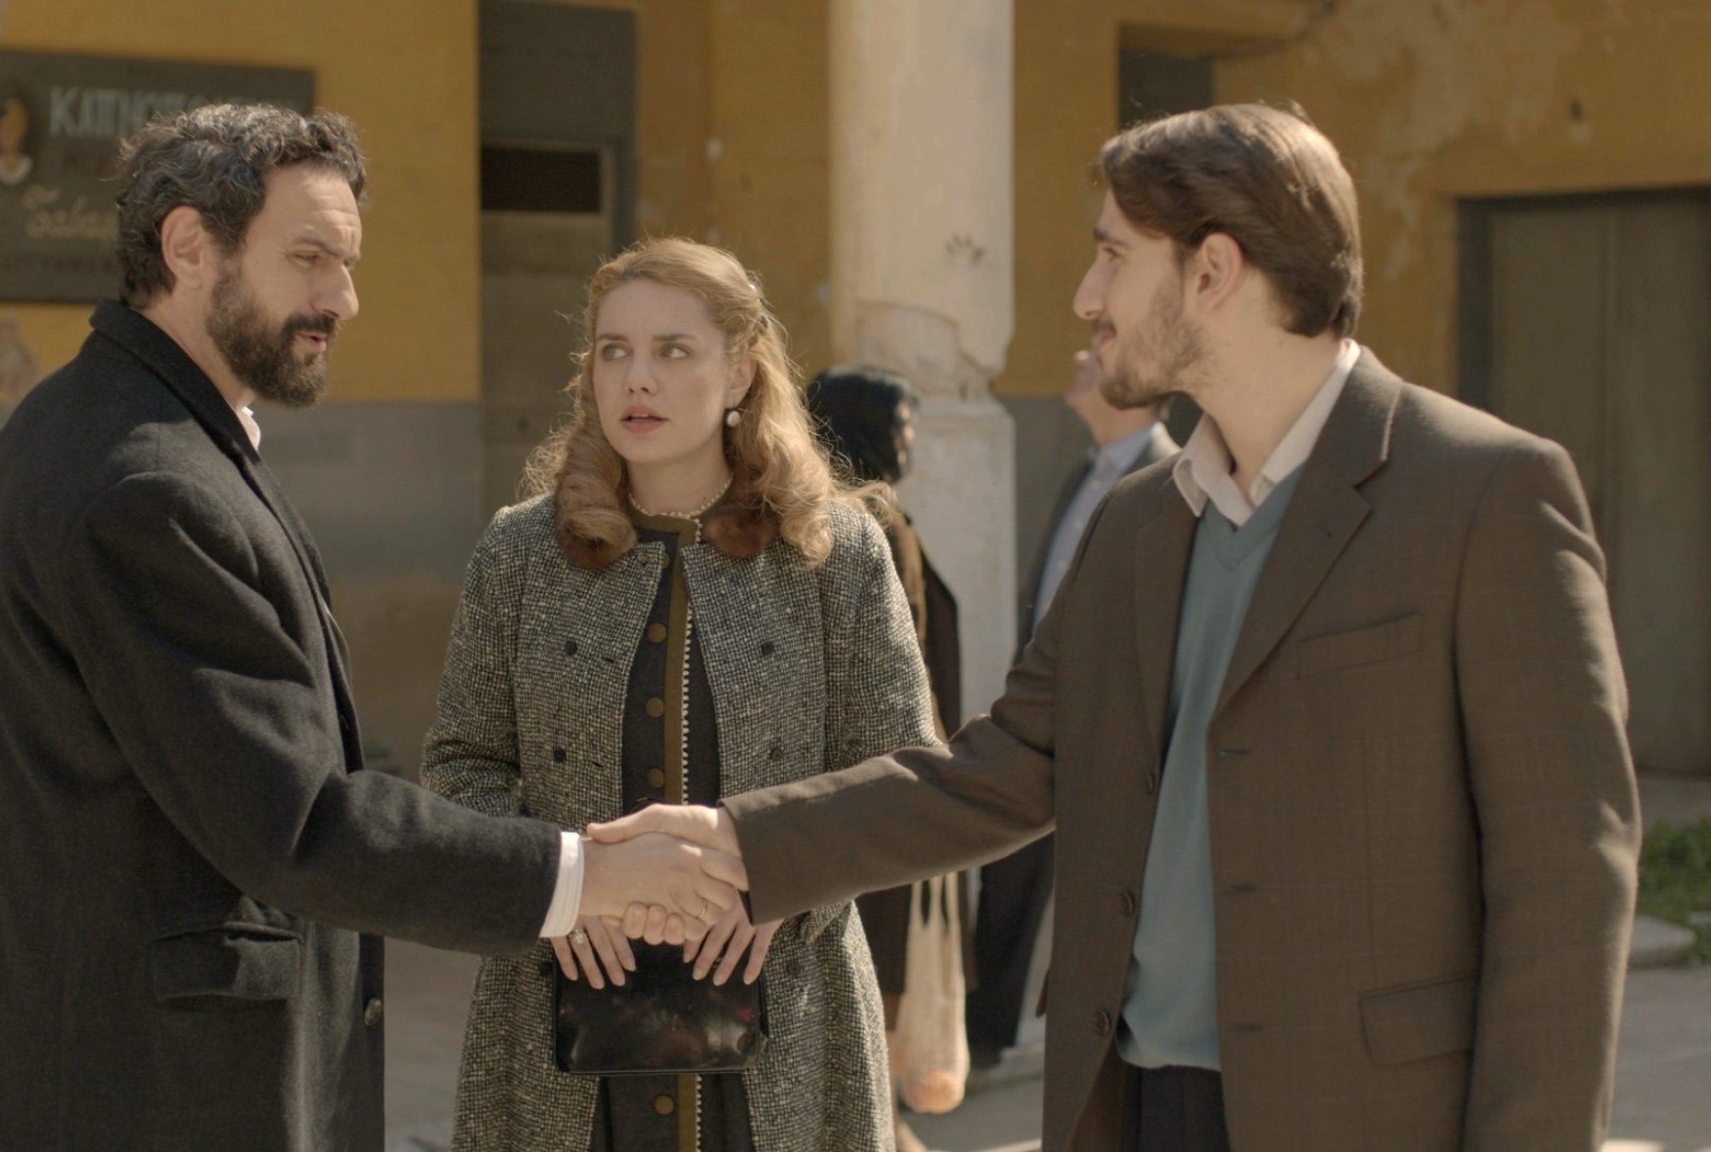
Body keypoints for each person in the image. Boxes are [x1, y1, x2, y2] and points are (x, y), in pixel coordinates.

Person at [596, 104, 1640, 1152]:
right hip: (1132, 1106)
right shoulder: (1138, 522)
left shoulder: (1484, 495)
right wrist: (739, 843)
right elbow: (999, 770)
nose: (1086, 298)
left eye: (1112, 257)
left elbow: (1563, 885)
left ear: (1212, 272)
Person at [0, 106, 740, 1152]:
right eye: (309, 258)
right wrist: (587, 877)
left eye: (347, 263)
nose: (342, 299)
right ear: (189, 247)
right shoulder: (146, 484)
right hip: (146, 1091)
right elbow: (300, 824)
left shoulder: (77, 429)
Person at [424, 238, 938, 1152]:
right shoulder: (518, 553)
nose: (637, 379)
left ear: (740, 371)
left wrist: (789, 882)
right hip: (558, 1035)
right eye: (614, 351)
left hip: (789, 1027)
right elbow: (462, 764)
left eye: (673, 351)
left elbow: (903, 774)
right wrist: (554, 888)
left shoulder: (834, 554)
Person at [965, 349, 1177, 1069]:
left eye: (1104, 345)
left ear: (1140, 383)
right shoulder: (1084, 472)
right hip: (1048, 709)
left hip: (1114, 723)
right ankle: (986, 1031)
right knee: (1008, 869)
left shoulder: (1169, 477)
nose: (1081, 356)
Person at [805, 367, 967, 1148]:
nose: (910, 441)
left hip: (893, 794)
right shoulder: (860, 526)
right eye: (899, 424)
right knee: (873, 1002)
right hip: (878, 798)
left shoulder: (868, 517)